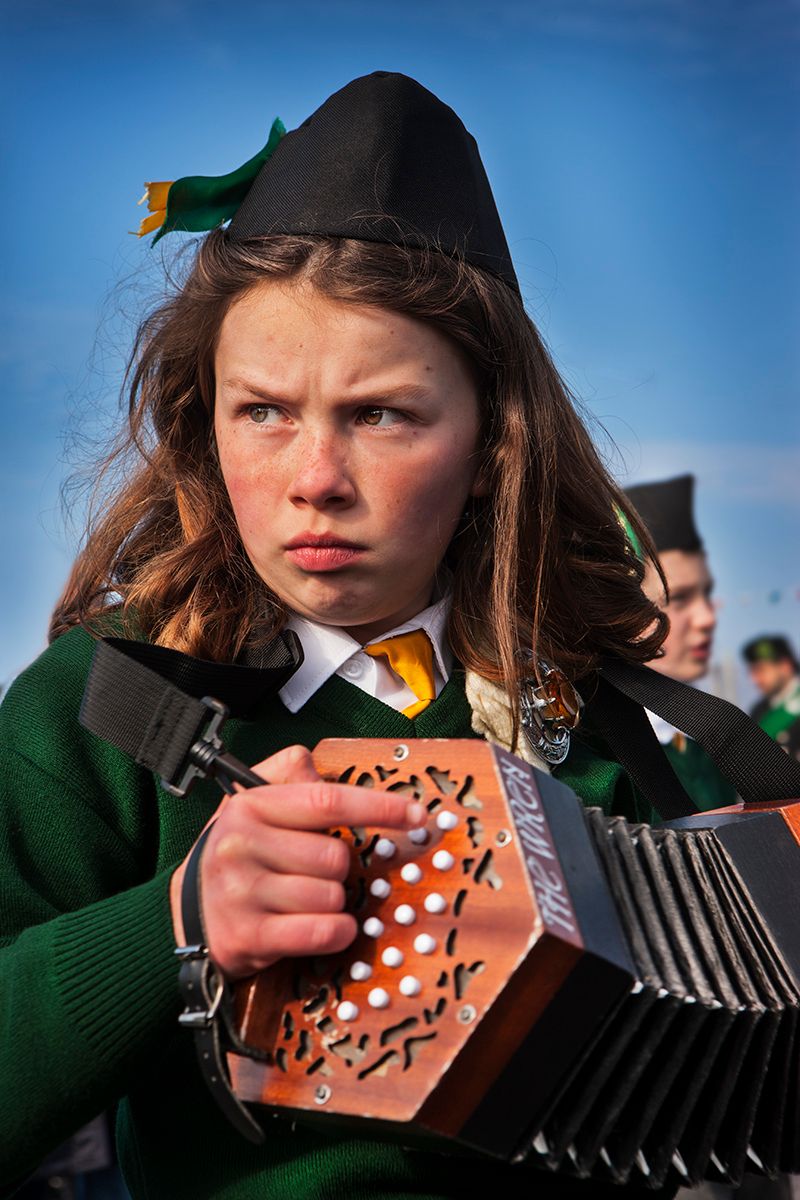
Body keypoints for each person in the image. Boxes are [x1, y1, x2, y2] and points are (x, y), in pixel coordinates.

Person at [1, 73, 719, 1199]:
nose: (314, 481)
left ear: (489, 441)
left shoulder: (605, 724)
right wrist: (172, 926)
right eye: (265, 411)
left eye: (380, 414)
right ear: (206, 421)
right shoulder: (92, 705)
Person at [624, 474, 737, 810]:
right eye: (680, 598)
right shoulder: (608, 755)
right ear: (620, 611)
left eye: (707, 594)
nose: (707, 618)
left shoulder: (715, 740)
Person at [742, 635, 800, 761]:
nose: (754, 680)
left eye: (760, 670)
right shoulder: (758, 710)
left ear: (785, 666)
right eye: (751, 672)